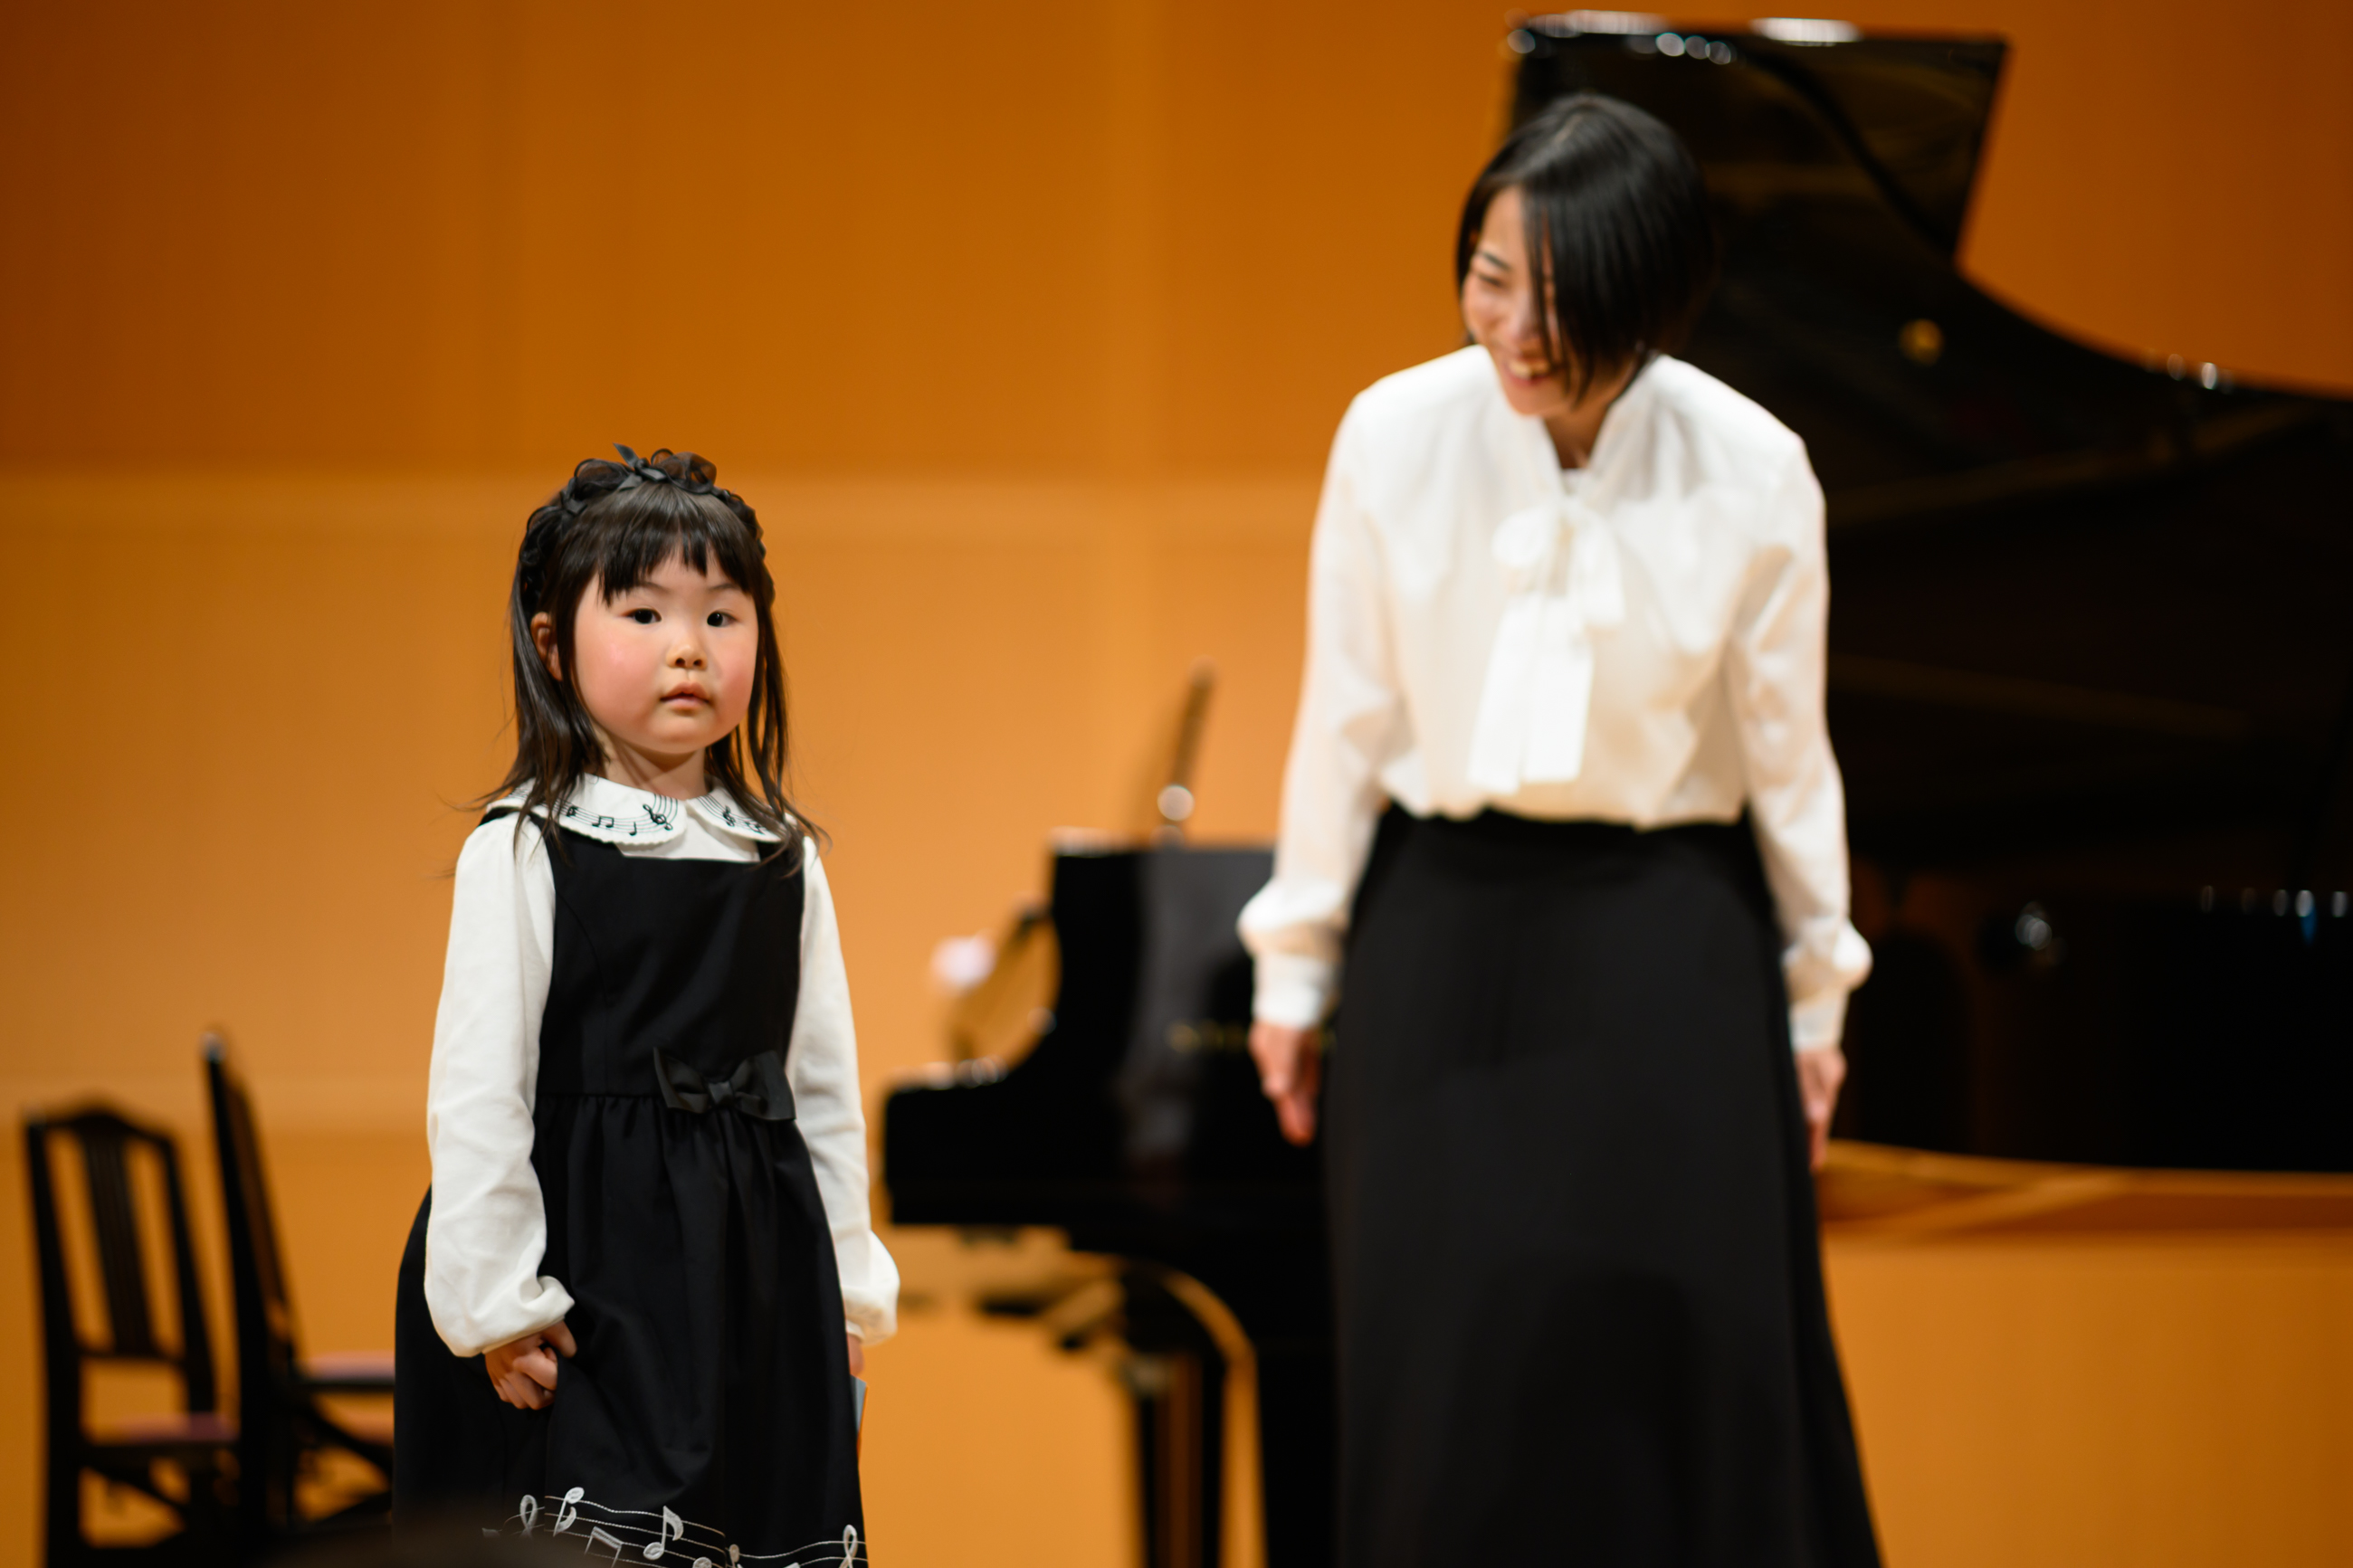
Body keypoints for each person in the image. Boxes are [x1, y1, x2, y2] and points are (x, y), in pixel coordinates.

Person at [1240, 96, 1881, 1564]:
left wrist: (1817, 990)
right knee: (1447, 1374)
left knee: (1688, 1359)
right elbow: (1345, 709)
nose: (1516, 324)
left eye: (1560, 289)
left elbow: (1792, 758)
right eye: (1488, 273)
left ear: (1652, 289)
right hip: (1439, 929)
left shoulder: (1756, 464)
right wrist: (1295, 966)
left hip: (1676, 935)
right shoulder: (1394, 433)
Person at [393, 447, 895, 1565]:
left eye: (724, 615)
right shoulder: (526, 842)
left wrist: (847, 1290)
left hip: (752, 1268)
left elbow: (821, 1090)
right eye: (643, 611)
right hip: (588, 1261)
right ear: (549, 640)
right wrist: (498, 1300)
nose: (690, 647)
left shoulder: (780, 858)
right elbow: (479, 1086)